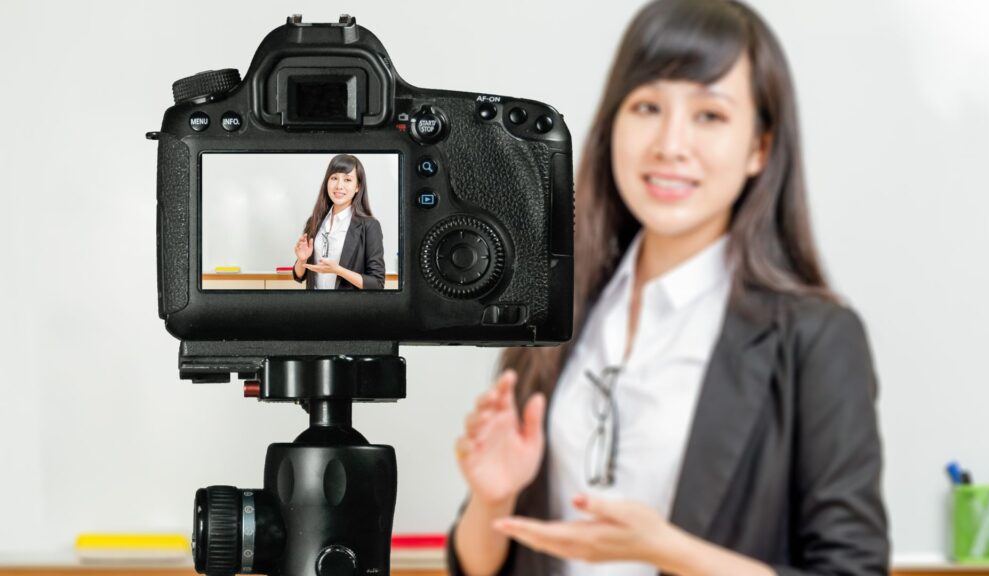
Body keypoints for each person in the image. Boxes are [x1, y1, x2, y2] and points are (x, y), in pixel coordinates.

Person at [448, 0, 889, 575]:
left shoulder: (817, 338)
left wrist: (664, 549)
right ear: (612, 125)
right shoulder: (552, 304)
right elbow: (479, 565)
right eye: (648, 107)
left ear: (759, 147)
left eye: (710, 115)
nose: (670, 144)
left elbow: (852, 569)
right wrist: (494, 498)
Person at [292, 154, 386, 290]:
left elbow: (377, 284)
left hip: (346, 304)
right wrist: (302, 259)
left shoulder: (369, 226)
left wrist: (338, 270)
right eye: (334, 178)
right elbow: (299, 276)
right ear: (327, 182)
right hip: (314, 302)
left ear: (358, 187)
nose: (339, 186)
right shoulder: (314, 221)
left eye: (347, 180)